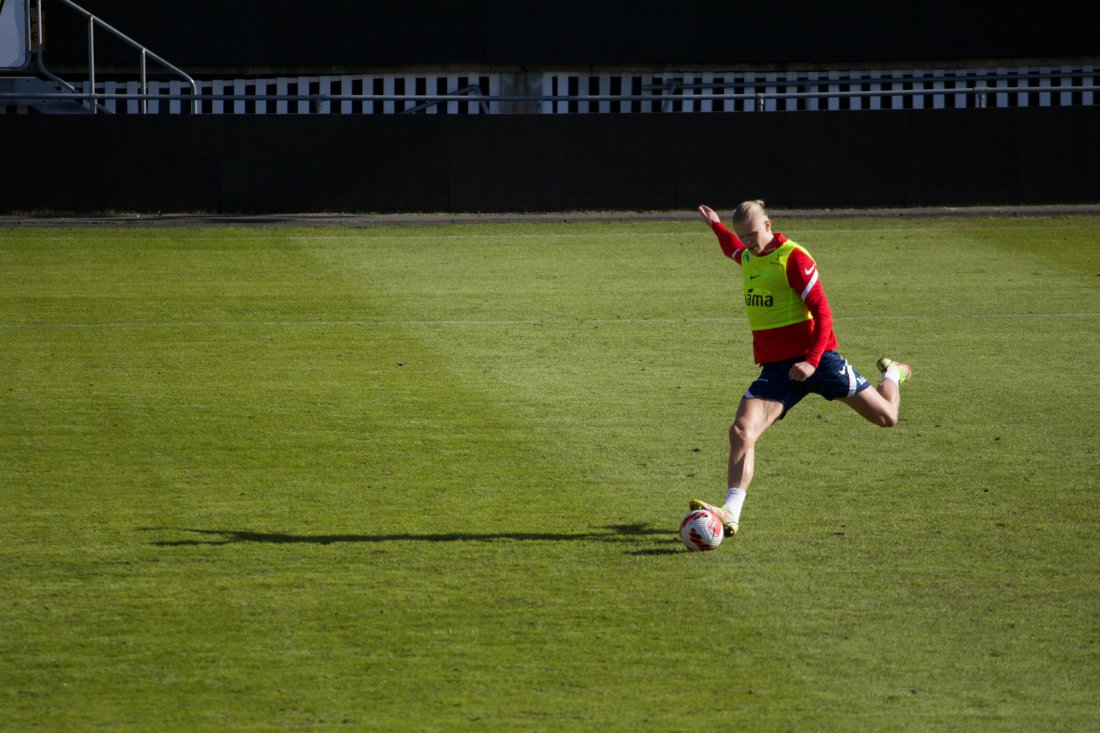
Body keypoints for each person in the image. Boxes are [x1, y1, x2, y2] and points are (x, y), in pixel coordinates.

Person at [690, 200, 912, 538]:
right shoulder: (749, 255)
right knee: (741, 432)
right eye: (743, 236)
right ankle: (731, 512)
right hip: (778, 370)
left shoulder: (794, 259)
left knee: (886, 418)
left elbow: (823, 313)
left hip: (818, 360)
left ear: (768, 224)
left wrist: (810, 360)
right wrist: (716, 226)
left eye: (753, 234)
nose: (748, 242)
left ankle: (893, 374)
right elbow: (733, 251)